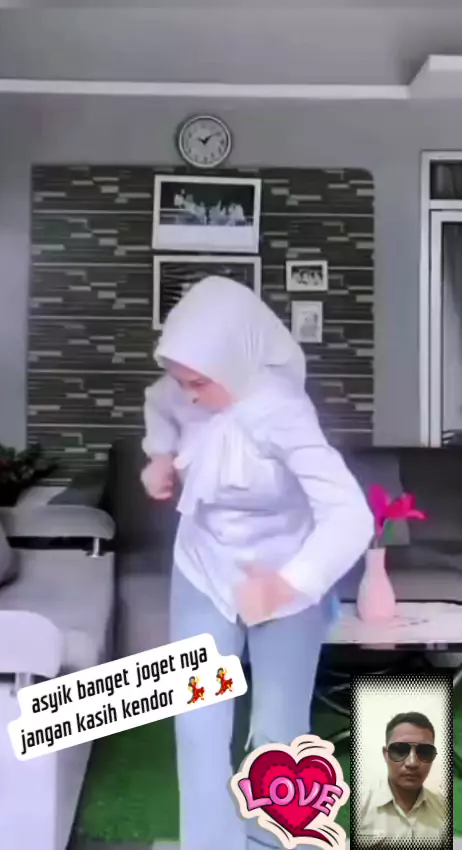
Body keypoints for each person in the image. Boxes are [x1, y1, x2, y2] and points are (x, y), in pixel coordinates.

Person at [141, 276, 374, 850]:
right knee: (197, 720)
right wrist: (159, 459)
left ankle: (273, 840)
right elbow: (160, 404)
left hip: (285, 570)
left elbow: (351, 515)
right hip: (203, 565)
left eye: (199, 383)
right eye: (183, 382)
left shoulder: (284, 413)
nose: (190, 395)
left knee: (279, 729)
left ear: (236, 359)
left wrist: (288, 584)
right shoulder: (182, 389)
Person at [359, 711, 447, 846]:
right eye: (400, 750)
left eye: (424, 752)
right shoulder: (358, 808)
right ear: (385, 754)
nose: (412, 763)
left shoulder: (446, 809)